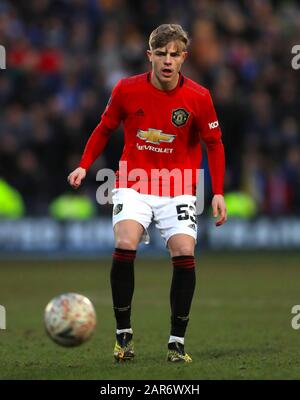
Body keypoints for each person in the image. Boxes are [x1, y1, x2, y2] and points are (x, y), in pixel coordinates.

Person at [68, 24, 227, 363]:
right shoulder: (126, 90)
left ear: (184, 57)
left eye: (175, 54)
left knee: (184, 251)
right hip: (133, 182)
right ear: (149, 56)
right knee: (125, 242)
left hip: (179, 186)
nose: (168, 61)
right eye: (161, 54)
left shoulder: (199, 97)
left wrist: (218, 192)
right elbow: (104, 128)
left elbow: (214, 144)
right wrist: (84, 164)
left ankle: (176, 341)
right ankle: (123, 335)